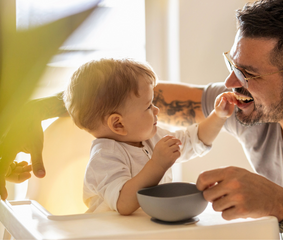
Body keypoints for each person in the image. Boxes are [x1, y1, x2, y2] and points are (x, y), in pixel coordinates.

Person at [0, 0, 283, 239]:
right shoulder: (247, 105)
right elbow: (140, 100)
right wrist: (39, 109)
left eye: (247, 73)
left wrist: (282, 206)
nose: (229, 85)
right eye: (232, 64)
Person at [66, 58, 235, 213]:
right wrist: (158, 164)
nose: (157, 110)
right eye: (148, 106)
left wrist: (218, 116)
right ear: (118, 124)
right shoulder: (104, 156)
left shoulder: (151, 137)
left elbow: (193, 140)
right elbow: (124, 203)